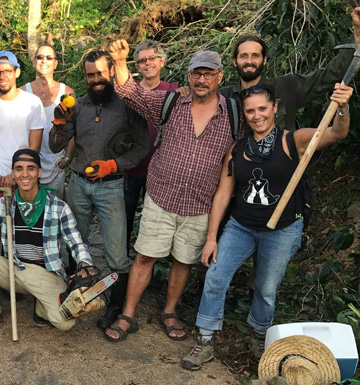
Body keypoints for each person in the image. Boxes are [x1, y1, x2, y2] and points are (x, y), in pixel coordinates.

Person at [182, 83, 353, 370]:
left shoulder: (293, 141)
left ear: (275, 107)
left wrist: (343, 107)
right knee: (216, 276)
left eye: (262, 108)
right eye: (250, 111)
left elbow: (337, 132)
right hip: (241, 226)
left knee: (265, 288)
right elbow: (223, 194)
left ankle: (258, 336)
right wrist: (212, 237)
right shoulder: (237, 150)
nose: (256, 115)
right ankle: (205, 340)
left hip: (282, 229)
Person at [106, 40, 238, 342]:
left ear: (219, 77)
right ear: (188, 75)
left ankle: (169, 310)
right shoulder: (170, 103)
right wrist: (120, 60)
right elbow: (131, 92)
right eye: (196, 74)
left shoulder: (233, 115)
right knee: (143, 257)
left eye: (208, 74)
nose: (201, 80)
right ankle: (127, 313)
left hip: (200, 203)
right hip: (161, 197)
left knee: (183, 261)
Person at [49, 50, 149, 332]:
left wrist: (114, 165)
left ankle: (116, 307)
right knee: (74, 241)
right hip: (78, 184)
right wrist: (58, 122)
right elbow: (56, 145)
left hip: (112, 186)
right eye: (90, 75)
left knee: (117, 254)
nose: (95, 80)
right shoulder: (78, 105)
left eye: (100, 74)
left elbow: (142, 148)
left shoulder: (129, 106)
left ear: (111, 73)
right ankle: (73, 297)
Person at [0, 149, 94, 334]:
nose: (25, 174)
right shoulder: (3, 205)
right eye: (19, 169)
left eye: (31, 168)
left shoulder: (58, 207)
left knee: (64, 323)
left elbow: (76, 242)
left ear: (39, 172)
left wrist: (85, 263)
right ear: (13, 174)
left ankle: (41, 308)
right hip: (14, 270)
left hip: (46, 275)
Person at [219, 5, 360, 131]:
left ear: (264, 60)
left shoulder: (287, 87)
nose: (249, 61)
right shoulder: (221, 98)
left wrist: (358, 34)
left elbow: (331, 75)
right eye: (244, 56)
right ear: (234, 61)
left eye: (255, 56)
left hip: (284, 169)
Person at [0, 51, 45, 223]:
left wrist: (16, 175)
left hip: (24, 180)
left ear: (17, 72)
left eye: (7, 71)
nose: (2, 76)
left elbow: (34, 146)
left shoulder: (32, 103)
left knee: (21, 232)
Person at [124, 40, 178, 257]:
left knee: (153, 222)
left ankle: (147, 262)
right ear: (137, 66)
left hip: (159, 171)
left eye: (152, 58)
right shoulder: (129, 92)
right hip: (131, 167)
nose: (147, 64)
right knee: (125, 218)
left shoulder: (173, 91)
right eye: (142, 61)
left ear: (162, 61)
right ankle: (123, 265)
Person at [21, 44, 76, 197]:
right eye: (40, 57)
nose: (44, 61)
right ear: (33, 62)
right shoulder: (22, 92)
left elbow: (73, 130)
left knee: (53, 213)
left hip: (55, 166)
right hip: (28, 165)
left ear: (55, 63)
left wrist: (67, 158)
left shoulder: (67, 93)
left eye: (49, 57)